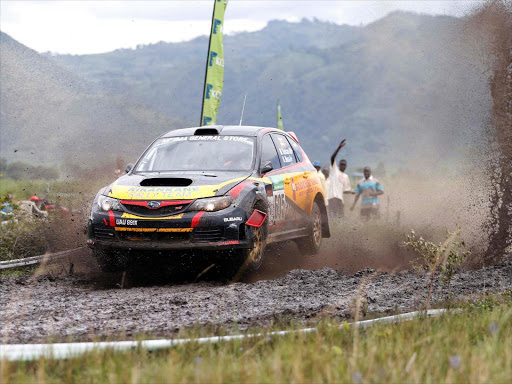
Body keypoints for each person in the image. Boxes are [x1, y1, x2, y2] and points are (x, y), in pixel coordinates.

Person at [327, 139, 352, 218]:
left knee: (341, 218)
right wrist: (339, 147)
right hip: (332, 198)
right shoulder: (334, 171)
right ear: (339, 165)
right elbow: (332, 158)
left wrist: (352, 192)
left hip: (340, 200)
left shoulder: (346, 177)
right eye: (341, 164)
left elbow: (346, 190)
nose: (343, 166)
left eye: (344, 165)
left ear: (346, 166)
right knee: (333, 217)